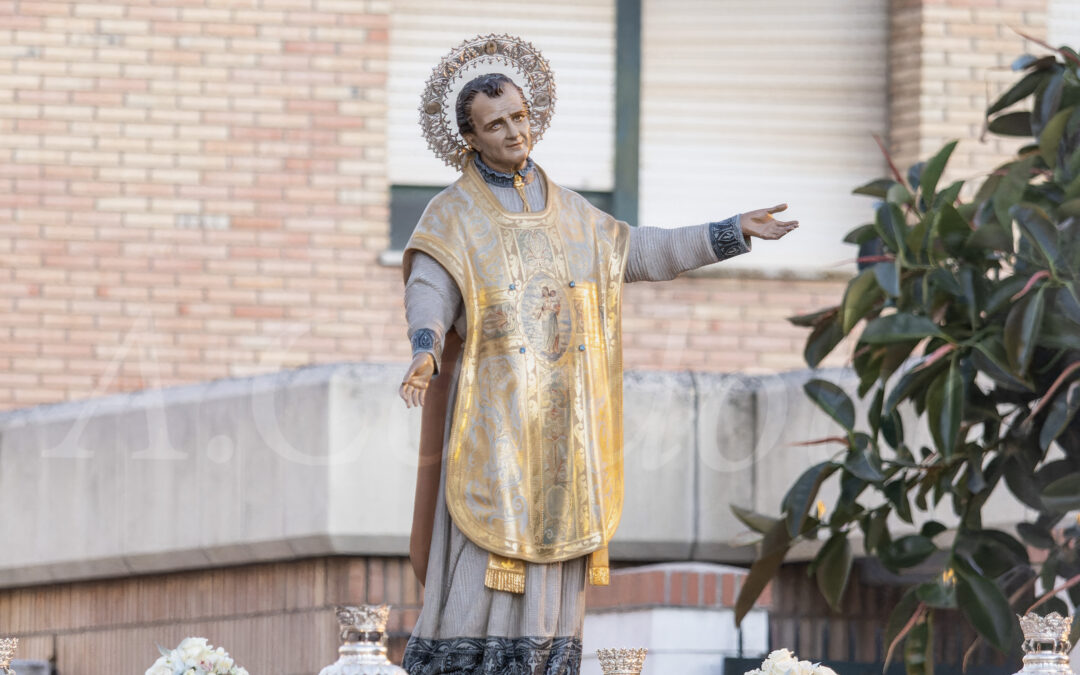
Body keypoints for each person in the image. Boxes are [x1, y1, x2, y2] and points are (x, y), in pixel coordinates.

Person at [398, 36, 798, 675]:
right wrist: (424, 350)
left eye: (520, 117)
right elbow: (430, 287)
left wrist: (730, 232)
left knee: (554, 564)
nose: (513, 132)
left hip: (560, 427)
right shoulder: (453, 214)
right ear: (469, 139)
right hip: (494, 426)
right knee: (485, 553)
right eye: (495, 125)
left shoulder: (573, 215)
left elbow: (640, 251)